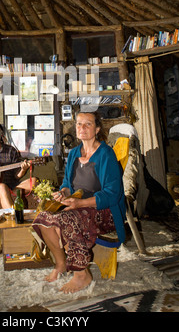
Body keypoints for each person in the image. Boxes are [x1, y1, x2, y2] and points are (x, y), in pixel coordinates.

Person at [32, 111, 126, 294]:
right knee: (43, 217)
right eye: (79, 124)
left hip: (104, 211)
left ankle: (82, 275)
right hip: (78, 205)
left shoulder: (106, 154)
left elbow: (112, 194)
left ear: (97, 129)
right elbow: (68, 184)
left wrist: (79, 204)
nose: (82, 128)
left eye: (88, 124)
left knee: (67, 219)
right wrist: (62, 193)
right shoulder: (74, 153)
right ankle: (60, 264)